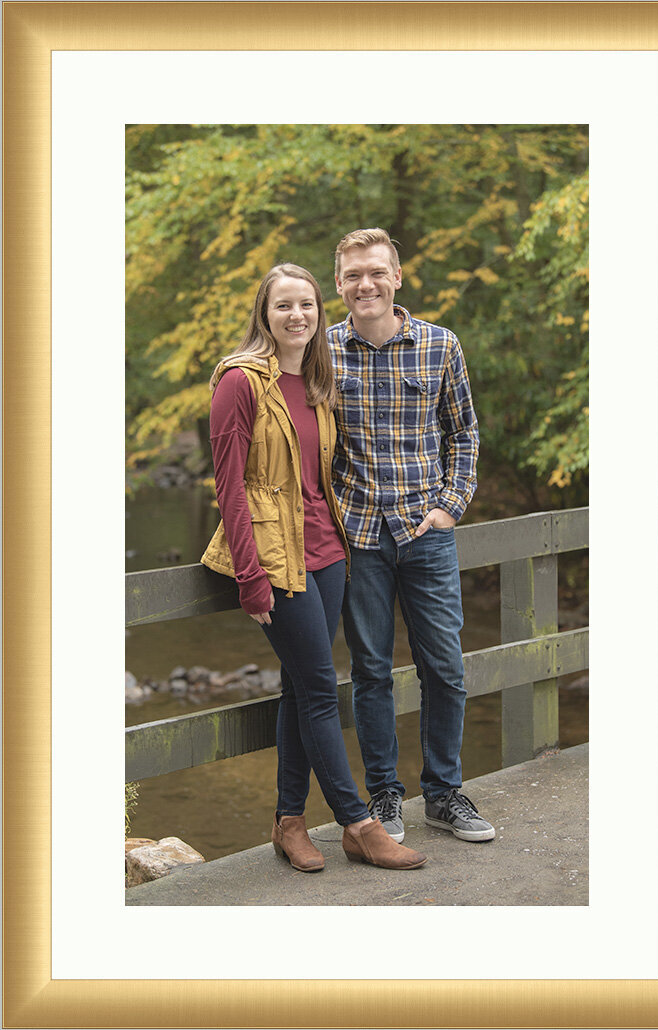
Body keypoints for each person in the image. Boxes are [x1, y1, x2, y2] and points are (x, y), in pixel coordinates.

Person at [201, 263, 427, 872]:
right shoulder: (241, 383)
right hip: (276, 561)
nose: (297, 315)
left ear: (318, 313)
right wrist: (249, 577)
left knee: (300, 687)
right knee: (323, 691)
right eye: (283, 306)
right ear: (264, 314)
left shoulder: (318, 382)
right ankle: (357, 823)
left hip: (328, 554)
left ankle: (288, 821)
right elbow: (231, 490)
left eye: (306, 304)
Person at [327, 228, 496, 845]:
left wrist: (451, 507)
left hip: (426, 533)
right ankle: (384, 797)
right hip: (358, 536)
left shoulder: (439, 345)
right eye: (352, 275)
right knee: (370, 671)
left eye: (375, 272)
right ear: (339, 284)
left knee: (444, 667)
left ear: (397, 276)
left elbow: (465, 436)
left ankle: (445, 794)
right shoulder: (321, 352)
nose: (364, 284)